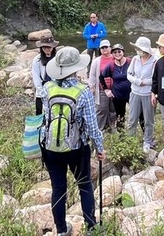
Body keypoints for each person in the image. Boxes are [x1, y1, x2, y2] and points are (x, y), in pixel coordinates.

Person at [41, 47, 106, 236]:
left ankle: (61, 230)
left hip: (51, 147)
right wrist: (99, 148)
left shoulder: (47, 88)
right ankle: (92, 228)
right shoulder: (83, 91)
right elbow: (92, 127)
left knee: (58, 188)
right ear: (76, 67)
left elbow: (46, 117)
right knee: (85, 185)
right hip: (77, 147)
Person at [126, 37, 158, 152]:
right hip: (134, 92)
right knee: (132, 119)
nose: (138, 51)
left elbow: (155, 79)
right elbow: (129, 74)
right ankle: (130, 141)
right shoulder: (135, 59)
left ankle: (147, 141)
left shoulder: (154, 61)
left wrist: (144, 82)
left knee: (149, 120)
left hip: (148, 94)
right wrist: (137, 81)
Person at [100, 43, 131, 130]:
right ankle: (121, 137)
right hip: (117, 95)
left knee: (138, 113)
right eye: (115, 52)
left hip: (131, 94)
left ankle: (143, 135)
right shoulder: (111, 65)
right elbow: (101, 77)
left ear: (123, 52)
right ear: (112, 54)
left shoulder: (130, 62)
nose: (117, 54)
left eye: (119, 52)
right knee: (120, 115)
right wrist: (106, 90)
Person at [88, 39, 117, 130]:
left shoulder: (115, 57)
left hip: (115, 89)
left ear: (110, 48)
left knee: (113, 110)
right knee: (101, 110)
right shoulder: (96, 61)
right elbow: (92, 75)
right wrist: (92, 87)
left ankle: (112, 128)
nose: (104, 49)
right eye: (102, 48)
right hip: (101, 89)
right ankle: (99, 129)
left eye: (106, 47)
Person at [31, 35, 59, 115]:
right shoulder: (37, 60)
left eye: (49, 47)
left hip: (55, 87)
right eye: (44, 47)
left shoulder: (57, 58)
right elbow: (36, 77)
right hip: (42, 88)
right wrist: (41, 92)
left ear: (53, 47)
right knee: (39, 112)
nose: (47, 49)